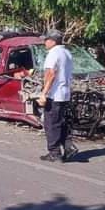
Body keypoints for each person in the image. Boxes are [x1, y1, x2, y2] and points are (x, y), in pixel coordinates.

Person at [37, 29, 78, 162]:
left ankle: (54, 152)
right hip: (65, 93)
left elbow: (51, 73)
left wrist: (44, 93)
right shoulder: (66, 52)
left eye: (46, 40)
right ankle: (68, 146)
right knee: (60, 122)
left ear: (52, 41)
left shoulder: (53, 53)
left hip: (54, 94)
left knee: (51, 124)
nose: (44, 42)